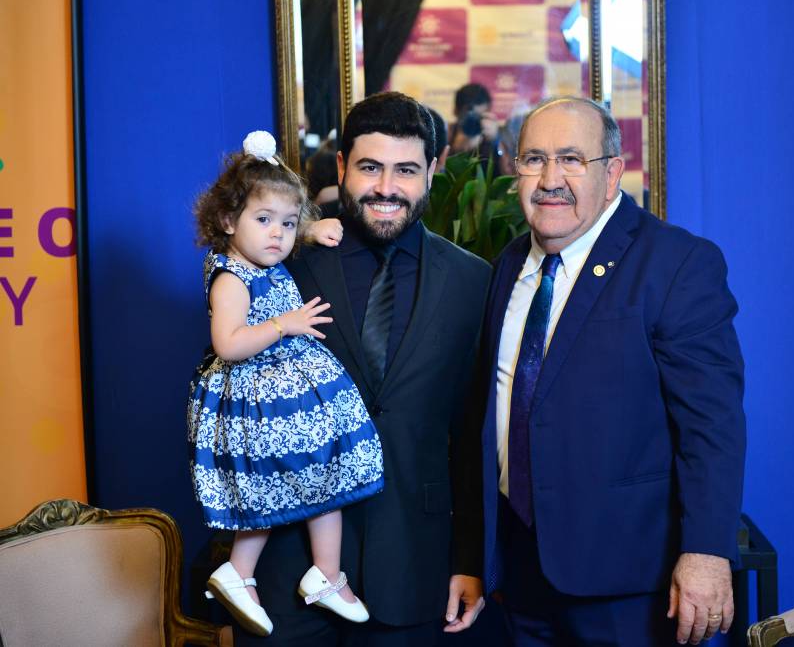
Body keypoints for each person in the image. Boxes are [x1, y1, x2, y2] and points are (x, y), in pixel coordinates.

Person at [465, 97, 746, 645]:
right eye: (534, 159)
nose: (550, 180)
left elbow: (712, 426)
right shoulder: (508, 266)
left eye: (572, 159)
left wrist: (707, 551)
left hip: (627, 582)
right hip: (519, 575)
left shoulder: (676, 263)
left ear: (613, 172)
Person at [236, 92, 491, 646]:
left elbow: (473, 435)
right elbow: (232, 391)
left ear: (433, 170)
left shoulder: (472, 281)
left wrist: (470, 559)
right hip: (285, 567)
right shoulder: (284, 263)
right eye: (370, 167)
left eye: (406, 170)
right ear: (342, 166)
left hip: (415, 564)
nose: (386, 188)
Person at [187, 131, 385, 637]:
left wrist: (311, 230)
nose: (277, 234)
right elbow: (228, 343)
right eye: (263, 220)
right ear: (227, 220)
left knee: (324, 474)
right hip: (256, 403)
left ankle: (322, 573)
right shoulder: (232, 278)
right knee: (274, 487)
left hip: (286, 399)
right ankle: (243, 572)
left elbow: (281, 231)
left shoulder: (262, 257)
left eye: (288, 223)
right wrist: (285, 324)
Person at [448, 83, 498, 156]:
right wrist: (452, 149)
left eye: (479, 117)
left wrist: (494, 142)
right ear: (456, 111)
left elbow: (509, 161)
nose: (473, 123)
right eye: (469, 117)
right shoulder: (446, 134)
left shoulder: (492, 135)